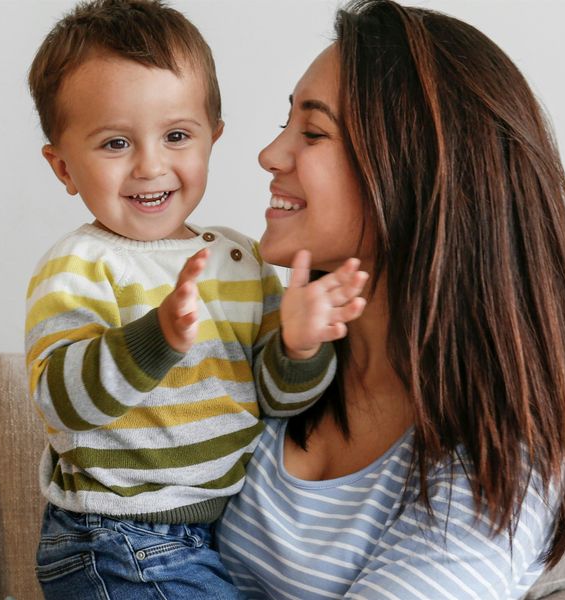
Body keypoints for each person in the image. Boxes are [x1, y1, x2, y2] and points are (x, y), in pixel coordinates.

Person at [215, 1, 565, 598]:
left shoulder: (502, 456)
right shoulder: (268, 345)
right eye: (285, 123)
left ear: (414, 172)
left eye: (313, 132)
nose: (270, 155)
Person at [23, 0, 369, 597]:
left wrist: (299, 344)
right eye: (114, 144)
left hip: (210, 535)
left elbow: (276, 399)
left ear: (214, 137)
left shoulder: (242, 259)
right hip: (115, 539)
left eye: (177, 135)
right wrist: (156, 336)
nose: (151, 166)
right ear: (63, 168)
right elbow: (63, 400)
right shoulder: (80, 265)